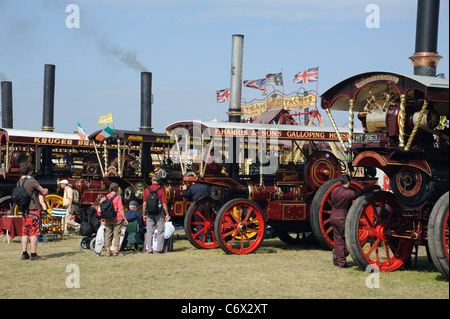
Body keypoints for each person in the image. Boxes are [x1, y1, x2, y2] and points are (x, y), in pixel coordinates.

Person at [330, 174, 380, 268]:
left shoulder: (334, 191)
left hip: (333, 216)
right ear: (348, 182)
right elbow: (358, 193)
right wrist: (371, 188)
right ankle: (339, 257)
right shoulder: (347, 193)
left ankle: (340, 261)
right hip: (342, 217)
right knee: (350, 238)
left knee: (338, 239)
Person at [19, 162, 48, 261]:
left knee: (24, 232)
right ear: (30, 171)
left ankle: (24, 253)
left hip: (24, 210)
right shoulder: (32, 181)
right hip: (34, 209)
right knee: (34, 232)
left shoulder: (20, 181)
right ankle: (33, 254)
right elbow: (43, 191)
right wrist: (45, 191)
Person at [143, 175, 170, 253]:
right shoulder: (161, 190)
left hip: (150, 213)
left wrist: (144, 213)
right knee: (160, 230)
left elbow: (144, 203)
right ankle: (159, 249)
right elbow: (164, 203)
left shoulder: (146, 190)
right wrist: (167, 214)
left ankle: (150, 250)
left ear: (152, 180)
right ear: (158, 182)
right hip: (159, 212)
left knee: (149, 231)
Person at [100, 182, 128, 256]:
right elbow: (121, 209)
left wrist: (102, 219)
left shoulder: (105, 197)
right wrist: (125, 219)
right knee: (117, 234)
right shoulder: (118, 197)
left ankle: (108, 251)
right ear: (117, 189)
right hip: (117, 218)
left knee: (108, 234)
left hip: (107, 218)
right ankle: (116, 251)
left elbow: (101, 209)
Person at [182, 174, 212, 242]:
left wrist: (184, 189)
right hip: (207, 204)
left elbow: (185, 194)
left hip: (198, 205)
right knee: (208, 221)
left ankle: (202, 238)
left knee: (199, 222)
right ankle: (209, 238)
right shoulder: (206, 186)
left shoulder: (192, 188)